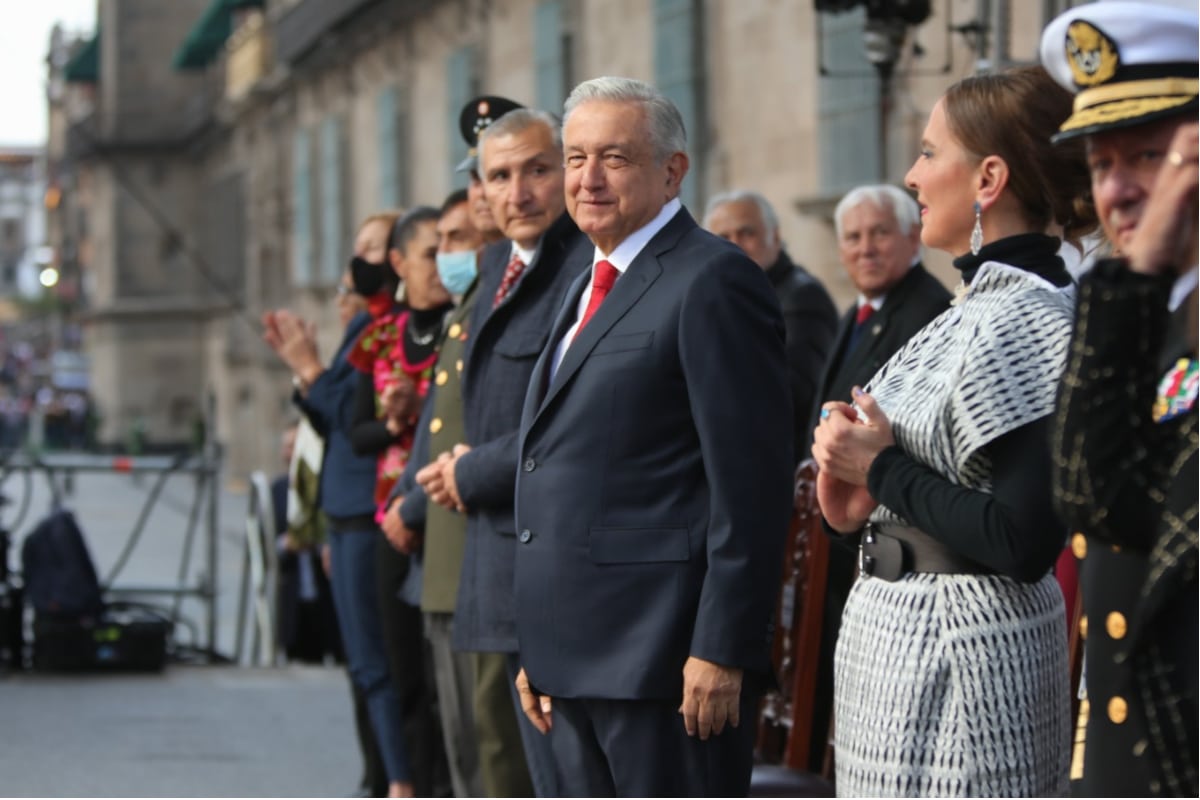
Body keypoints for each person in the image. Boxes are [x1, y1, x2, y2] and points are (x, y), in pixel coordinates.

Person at [811, 65, 1098, 796]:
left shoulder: (1029, 315)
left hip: (964, 664)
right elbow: (933, 478)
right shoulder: (980, 303)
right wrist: (858, 491)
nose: (912, 174)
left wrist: (879, 470)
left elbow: (1021, 539)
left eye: (931, 152)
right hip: (904, 653)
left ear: (988, 179)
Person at [511, 76, 793, 796]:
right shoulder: (587, 278)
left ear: (672, 171)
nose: (588, 179)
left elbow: (751, 487)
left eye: (614, 157)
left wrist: (722, 649)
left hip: (665, 666)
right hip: (569, 659)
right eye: (574, 158)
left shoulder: (713, 281)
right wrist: (539, 645)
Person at [1041, 2, 1199, 794]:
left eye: (1149, 156)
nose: (1122, 190)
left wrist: (1133, 281)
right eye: (1103, 166)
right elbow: (1092, 493)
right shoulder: (1146, 319)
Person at [422, 107, 587, 798]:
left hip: (557, 564)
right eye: (499, 176)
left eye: (537, 171)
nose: (518, 193)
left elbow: (572, 424)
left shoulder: (585, 268)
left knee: (548, 773)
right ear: (479, 191)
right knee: (493, 757)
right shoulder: (498, 267)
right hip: (493, 558)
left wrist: (469, 469)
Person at [263, 212, 415, 799]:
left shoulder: (390, 326)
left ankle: (396, 780)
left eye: (374, 248)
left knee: (379, 663)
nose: (360, 265)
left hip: (369, 508)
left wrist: (307, 369)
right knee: (364, 665)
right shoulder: (367, 326)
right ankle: (381, 775)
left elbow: (353, 418)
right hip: (347, 510)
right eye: (358, 250)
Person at [806, 183, 950, 771]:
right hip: (842, 549)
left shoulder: (927, 312)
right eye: (853, 237)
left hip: (892, 550)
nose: (865, 248)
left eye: (879, 233)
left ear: (913, 236)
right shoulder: (858, 313)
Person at [383, 188, 487, 799]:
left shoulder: (486, 309)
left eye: (457, 239)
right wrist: (406, 499)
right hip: (442, 553)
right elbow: (435, 426)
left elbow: (480, 430)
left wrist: (413, 504)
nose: (445, 254)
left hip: (469, 545)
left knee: (483, 750)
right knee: (460, 742)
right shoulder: (465, 310)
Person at [348, 207, 454, 799]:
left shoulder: (465, 324)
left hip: (447, 506)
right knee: (402, 666)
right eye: (430, 253)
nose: (442, 266)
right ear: (400, 263)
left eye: (450, 249)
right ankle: (407, 778)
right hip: (390, 521)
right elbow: (358, 433)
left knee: (448, 671)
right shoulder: (382, 335)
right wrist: (395, 422)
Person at [703, 190, 837, 458]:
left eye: (747, 233)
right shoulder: (719, 298)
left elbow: (792, 396)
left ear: (775, 237)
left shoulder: (802, 298)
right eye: (724, 237)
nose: (735, 245)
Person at [271, 419, 341, 665]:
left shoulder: (327, 487)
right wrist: (286, 544)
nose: (291, 453)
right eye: (288, 447)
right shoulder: (276, 491)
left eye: (296, 445)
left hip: (327, 601)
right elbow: (260, 544)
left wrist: (319, 543)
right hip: (293, 601)